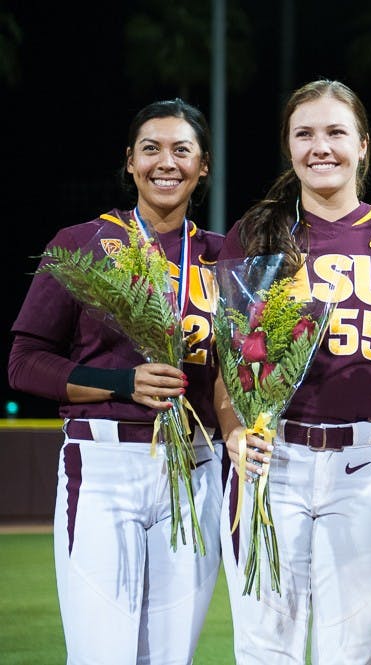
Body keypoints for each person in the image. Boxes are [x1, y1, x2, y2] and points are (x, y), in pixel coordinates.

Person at [214, 78, 371, 665]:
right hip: (270, 460)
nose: (321, 146)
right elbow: (229, 367)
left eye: (336, 132)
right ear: (289, 148)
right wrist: (234, 431)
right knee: (264, 649)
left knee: (353, 651)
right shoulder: (256, 235)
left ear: (363, 144)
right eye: (305, 133)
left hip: (363, 464)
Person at [7, 98, 224, 664]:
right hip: (104, 466)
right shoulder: (81, 243)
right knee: (102, 655)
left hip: (196, 469)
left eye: (182, 149)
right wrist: (121, 382)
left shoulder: (224, 258)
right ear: (129, 161)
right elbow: (25, 361)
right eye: (150, 149)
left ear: (204, 165)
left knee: (169, 658)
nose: (165, 162)